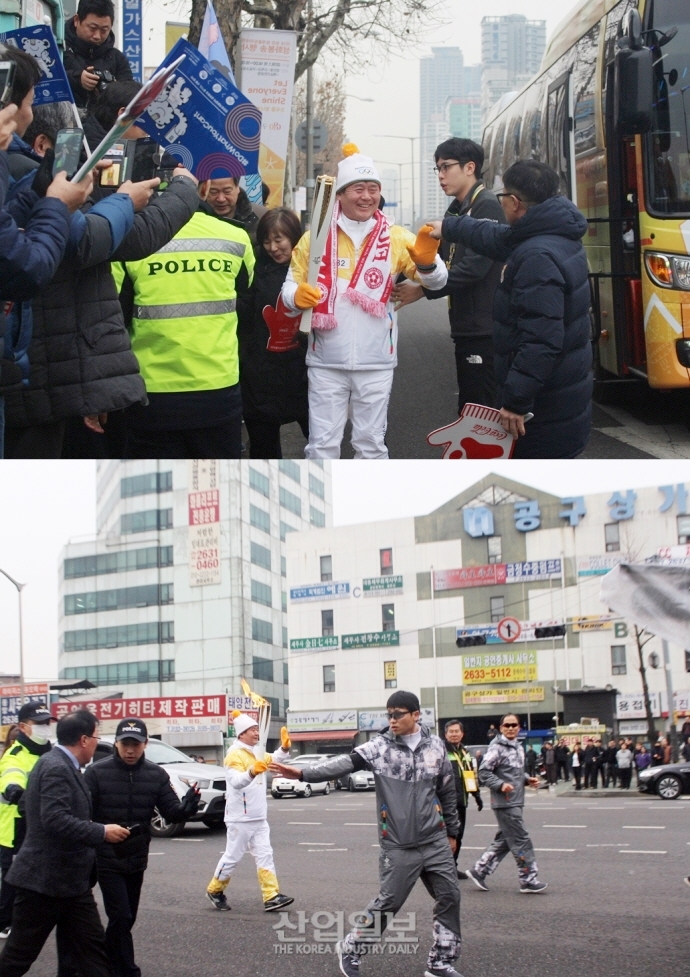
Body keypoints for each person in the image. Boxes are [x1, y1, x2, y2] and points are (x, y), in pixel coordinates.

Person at [270, 691, 463, 977]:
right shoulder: (379, 748)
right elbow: (342, 764)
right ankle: (351, 948)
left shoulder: (436, 746)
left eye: (398, 714)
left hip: (434, 839)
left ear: (416, 715)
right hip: (398, 843)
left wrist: (452, 832)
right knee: (389, 903)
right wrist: (301, 774)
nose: (392, 719)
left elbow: (447, 790)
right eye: (389, 714)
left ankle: (440, 963)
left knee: (450, 897)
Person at [280, 144, 448, 459]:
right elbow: (289, 288)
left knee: (371, 445)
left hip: (376, 362)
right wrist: (295, 296)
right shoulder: (314, 238)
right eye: (358, 188)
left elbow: (438, 282)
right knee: (321, 446)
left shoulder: (397, 237)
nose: (366, 196)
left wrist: (428, 263)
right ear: (340, 195)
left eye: (373, 189)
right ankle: (322, 505)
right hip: (326, 360)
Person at [428, 159, 592, 458]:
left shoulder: (536, 257)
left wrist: (516, 403)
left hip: (543, 409)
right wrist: (450, 227)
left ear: (515, 203)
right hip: (561, 395)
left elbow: (541, 341)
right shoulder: (552, 233)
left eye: (503, 196)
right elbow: (497, 238)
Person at [116, 181, 254, 458]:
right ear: (203, 189)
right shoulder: (236, 237)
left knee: (157, 492)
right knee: (214, 491)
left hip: (151, 393)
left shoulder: (129, 238)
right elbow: (245, 298)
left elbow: (115, 315)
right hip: (218, 390)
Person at [0, 709, 130, 977]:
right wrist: (101, 832)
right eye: (96, 736)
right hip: (43, 883)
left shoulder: (61, 764)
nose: (97, 742)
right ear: (84, 739)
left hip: (71, 885)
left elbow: (34, 809)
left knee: (93, 954)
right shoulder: (55, 767)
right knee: (17, 959)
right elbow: (55, 819)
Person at [393, 138, 504, 413]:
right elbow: (437, 260)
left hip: (484, 328)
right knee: (470, 407)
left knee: (480, 410)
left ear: (469, 168)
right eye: (437, 169)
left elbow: (474, 268)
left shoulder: (486, 206)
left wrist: (422, 290)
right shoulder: (456, 210)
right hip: (466, 325)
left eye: (446, 167)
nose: (441, 175)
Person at [83, 718, 200, 977]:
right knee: (121, 916)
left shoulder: (156, 774)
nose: (130, 750)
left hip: (136, 857)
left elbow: (172, 812)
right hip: (106, 857)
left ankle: (103, 960)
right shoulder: (96, 773)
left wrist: (189, 805)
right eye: (125, 743)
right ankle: (125, 970)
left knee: (127, 919)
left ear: (145, 744)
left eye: (136, 744)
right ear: (116, 742)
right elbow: (82, 815)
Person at [238, 207, 309, 458]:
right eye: (266, 240)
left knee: (321, 441)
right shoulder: (253, 267)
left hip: (304, 371)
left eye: (279, 239)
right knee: (263, 449)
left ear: (294, 237)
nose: (272, 247)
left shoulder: (312, 267)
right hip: (261, 373)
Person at [205, 711, 293, 913]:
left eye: (256, 729)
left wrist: (285, 748)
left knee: (265, 855)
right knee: (232, 857)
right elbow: (236, 782)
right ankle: (215, 890)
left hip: (259, 817)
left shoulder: (257, 751)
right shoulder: (234, 755)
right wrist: (252, 771)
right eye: (253, 729)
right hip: (240, 818)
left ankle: (271, 896)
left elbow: (275, 758)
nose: (256, 733)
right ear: (242, 733)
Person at [465, 713, 546, 894]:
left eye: (514, 725)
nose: (510, 728)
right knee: (521, 840)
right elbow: (484, 773)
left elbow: (513, 773)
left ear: (519, 727)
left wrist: (527, 779)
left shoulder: (517, 747)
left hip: (516, 801)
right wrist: (501, 785)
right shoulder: (497, 748)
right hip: (505, 803)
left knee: (506, 840)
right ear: (501, 728)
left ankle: (479, 871)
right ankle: (528, 879)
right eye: (507, 725)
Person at [0, 702, 55, 940]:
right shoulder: (15, 756)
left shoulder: (52, 754)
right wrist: (15, 790)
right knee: (12, 881)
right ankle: (4, 922)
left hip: (41, 829)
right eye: (38, 723)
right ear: (23, 727)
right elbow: (11, 777)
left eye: (47, 722)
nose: (44, 728)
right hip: (13, 831)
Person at [63, 0, 133, 109]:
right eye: (92, 28)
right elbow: (44, 80)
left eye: (104, 30)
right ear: (77, 20)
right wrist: (76, 78)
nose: (97, 36)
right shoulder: (58, 48)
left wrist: (112, 89)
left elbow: (129, 97)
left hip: (103, 124)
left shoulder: (118, 59)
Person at [444, 720, 482, 877]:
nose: (454, 734)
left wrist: (476, 795)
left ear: (462, 733)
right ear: (445, 734)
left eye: (456, 731)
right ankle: (444, 869)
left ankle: (452, 866)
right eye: (450, 732)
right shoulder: (442, 752)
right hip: (447, 803)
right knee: (448, 837)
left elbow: (469, 776)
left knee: (458, 836)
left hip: (462, 802)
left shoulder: (464, 752)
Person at [199, 175, 266, 245]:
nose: (221, 199)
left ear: (237, 188)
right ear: (205, 190)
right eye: (213, 192)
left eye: (227, 191)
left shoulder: (261, 217)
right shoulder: (192, 217)